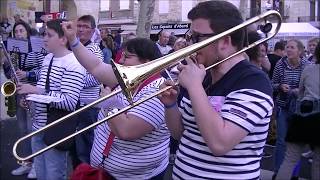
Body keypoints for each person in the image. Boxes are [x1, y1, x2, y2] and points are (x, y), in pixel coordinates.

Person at [158, 1, 273, 179]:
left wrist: (195, 87)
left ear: (225, 41)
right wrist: (170, 105)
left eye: (197, 38)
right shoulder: (203, 76)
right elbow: (180, 133)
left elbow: (220, 143)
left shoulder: (254, 81)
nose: (190, 45)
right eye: (190, 37)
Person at [61, 20, 171, 178]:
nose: (120, 60)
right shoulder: (130, 78)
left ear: (146, 62)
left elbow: (126, 130)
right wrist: (73, 40)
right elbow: (95, 66)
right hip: (108, 171)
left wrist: (107, 102)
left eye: (128, 57)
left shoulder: (158, 90)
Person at [16, 19, 86, 180]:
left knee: (54, 176)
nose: (44, 39)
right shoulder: (48, 58)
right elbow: (45, 91)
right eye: (44, 34)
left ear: (63, 39)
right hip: (38, 128)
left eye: (49, 35)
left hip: (55, 130)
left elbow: (69, 102)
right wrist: (30, 98)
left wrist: (34, 91)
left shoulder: (74, 63)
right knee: (41, 175)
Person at [4, 20, 44, 179]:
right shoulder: (13, 52)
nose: (19, 34)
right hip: (18, 93)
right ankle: (26, 163)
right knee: (22, 131)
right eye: (16, 32)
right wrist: (7, 66)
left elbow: (43, 70)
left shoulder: (35, 49)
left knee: (31, 130)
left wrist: (27, 74)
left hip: (32, 93)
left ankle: (36, 165)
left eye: (21, 31)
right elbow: (9, 75)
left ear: (27, 32)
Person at [276, 41, 320, 180]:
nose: (288, 49)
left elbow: (301, 94)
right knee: (318, 163)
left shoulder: (309, 68)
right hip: (316, 118)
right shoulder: (281, 64)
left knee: (289, 159)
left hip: (303, 116)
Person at [272, 39, 310, 179]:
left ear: (299, 51)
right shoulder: (280, 64)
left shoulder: (307, 65)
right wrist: (280, 86)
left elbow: (309, 88)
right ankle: (277, 172)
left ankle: (294, 174)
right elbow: (272, 84)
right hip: (283, 106)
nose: (288, 50)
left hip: (299, 109)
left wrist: (297, 91)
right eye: (287, 47)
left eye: (292, 47)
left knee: (295, 145)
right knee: (281, 141)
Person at [73, 15, 104, 166]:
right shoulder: (76, 48)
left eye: (85, 26)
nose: (80, 29)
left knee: (85, 147)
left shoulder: (94, 49)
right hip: (76, 104)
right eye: (78, 26)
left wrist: (71, 82)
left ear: (92, 31)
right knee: (77, 146)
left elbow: (97, 78)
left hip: (87, 106)